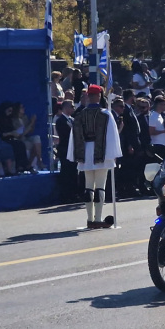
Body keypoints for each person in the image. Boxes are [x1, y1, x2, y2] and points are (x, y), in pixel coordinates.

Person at [67, 85, 123, 229]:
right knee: (100, 187)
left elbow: (75, 137)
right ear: (99, 96)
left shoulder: (79, 115)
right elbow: (112, 136)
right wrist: (113, 154)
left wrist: (77, 154)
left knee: (88, 187)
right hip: (102, 152)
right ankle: (98, 218)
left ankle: (89, 219)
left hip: (85, 151)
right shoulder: (106, 114)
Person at [55, 100, 79, 203]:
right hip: (65, 149)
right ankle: (65, 195)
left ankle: (73, 194)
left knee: (73, 172)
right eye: (71, 106)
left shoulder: (73, 120)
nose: (73, 108)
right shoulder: (60, 121)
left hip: (74, 150)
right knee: (66, 173)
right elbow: (65, 135)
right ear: (65, 108)